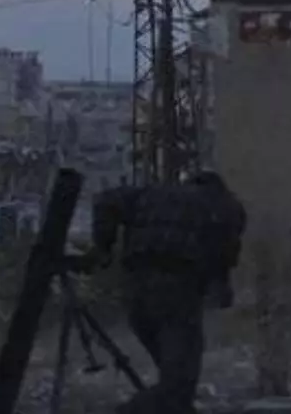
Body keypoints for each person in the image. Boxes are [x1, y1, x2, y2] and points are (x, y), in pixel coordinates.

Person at [90, 172, 247, 414]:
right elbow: (225, 256)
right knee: (179, 387)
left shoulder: (151, 193)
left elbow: (105, 201)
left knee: (175, 383)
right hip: (177, 292)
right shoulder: (224, 205)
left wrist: (104, 247)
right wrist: (220, 289)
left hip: (136, 291)